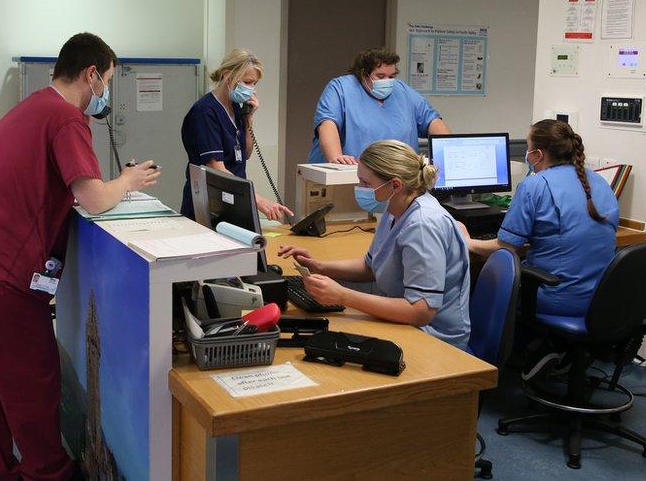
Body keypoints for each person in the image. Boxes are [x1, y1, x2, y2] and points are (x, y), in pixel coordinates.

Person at [0, 32, 160, 480]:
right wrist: (129, 181)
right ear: (91, 74)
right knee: (32, 377)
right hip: (0, 271)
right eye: (109, 81)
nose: (107, 94)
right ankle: (48, 472)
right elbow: (94, 198)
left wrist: (109, 184)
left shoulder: (33, 106)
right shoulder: (65, 118)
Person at [280, 139, 471, 349]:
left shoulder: (423, 225)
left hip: (435, 339)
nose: (359, 189)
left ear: (395, 185)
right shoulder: (394, 209)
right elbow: (371, 266)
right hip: (407, 325)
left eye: (365, 183)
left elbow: (421, 311)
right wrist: (320, 266)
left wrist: (343, 296)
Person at [462, 120, 619, 319]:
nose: (527, 155)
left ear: (538, 155)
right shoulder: (597, 180)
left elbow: (507, 248)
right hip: (601, 298)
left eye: (528, 149)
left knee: (480, 286)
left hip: (557, 297)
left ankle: (482, 349)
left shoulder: (534, 185)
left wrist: (467, 242)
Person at [179, 49, 293, 221]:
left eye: (254, 84)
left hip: (234, 199)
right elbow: (215, 167)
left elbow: (245, 153)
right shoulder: (205, 112)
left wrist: (248, 118)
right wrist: (258, 199)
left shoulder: (236, 108)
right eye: (247, 82)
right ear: (227, 76)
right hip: (209, 203)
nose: (251, 89)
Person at [308, 48, 451, 164]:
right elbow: (327, 124)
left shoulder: (402, 91)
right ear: (363, 74)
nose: (388, 81)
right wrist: (336, 158)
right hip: (353, 174)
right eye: (380, 77)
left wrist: (448, 154)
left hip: (399, 176)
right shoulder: (341, 88)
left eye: (392, 76)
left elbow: (433, 121)